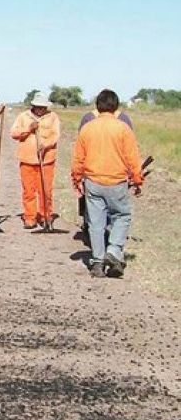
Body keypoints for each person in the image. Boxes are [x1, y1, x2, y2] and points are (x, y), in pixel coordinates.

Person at [71, 89, 144, 278]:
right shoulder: (123, 128)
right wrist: (137, 180)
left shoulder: (88, 128)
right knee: (122, 216)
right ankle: (114, 249)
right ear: (116, 107)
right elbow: (132, 157)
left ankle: (97, 262)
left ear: (97, 106)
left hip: (93, 182)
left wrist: (76, 179)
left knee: (95, 222)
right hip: (117, 182)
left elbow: (78, 157)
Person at [76, 103, 133, 233]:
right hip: (117, 174)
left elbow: (80, 149)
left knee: (94, 210)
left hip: (92, 173)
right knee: (118, 211)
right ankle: (112, 242)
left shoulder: (88, 119)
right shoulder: (124, 120)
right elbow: (129, 151)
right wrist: (134, 175)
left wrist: (77, 176)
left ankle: (97, 244)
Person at [9, 92, 61, 228]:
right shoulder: (23, 117)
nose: (41, 110)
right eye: (38, 107)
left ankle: (45, 216)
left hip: (46, 160)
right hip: (27, 160)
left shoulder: (53, 117)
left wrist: (45, 145)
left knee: (46, 190)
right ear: (33, 105)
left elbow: (56, 135)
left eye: (43, 107)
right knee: (28, 191)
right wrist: (28, 129)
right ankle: (30, 217)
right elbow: (13, 133)